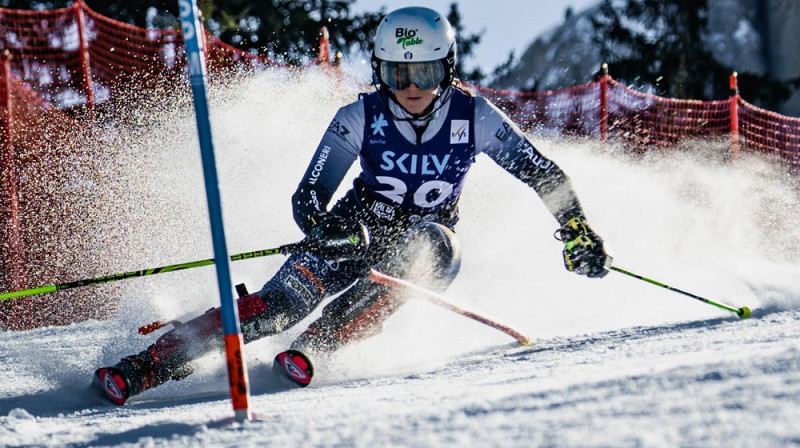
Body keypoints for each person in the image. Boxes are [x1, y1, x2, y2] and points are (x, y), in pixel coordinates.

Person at [94, 6, 610, 405]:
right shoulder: (358, 117)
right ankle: (144, 367)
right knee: (274, 309)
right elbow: (309, 195)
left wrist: (577, 227)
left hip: (419, 244)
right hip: (350, 231)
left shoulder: (475, 117)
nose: (410, 89)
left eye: (425, 74)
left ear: (447, 69)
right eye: (397, 74)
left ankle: (314, 348)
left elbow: (540, 171)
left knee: (436, 246)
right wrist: (323, 228)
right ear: (380, 70)